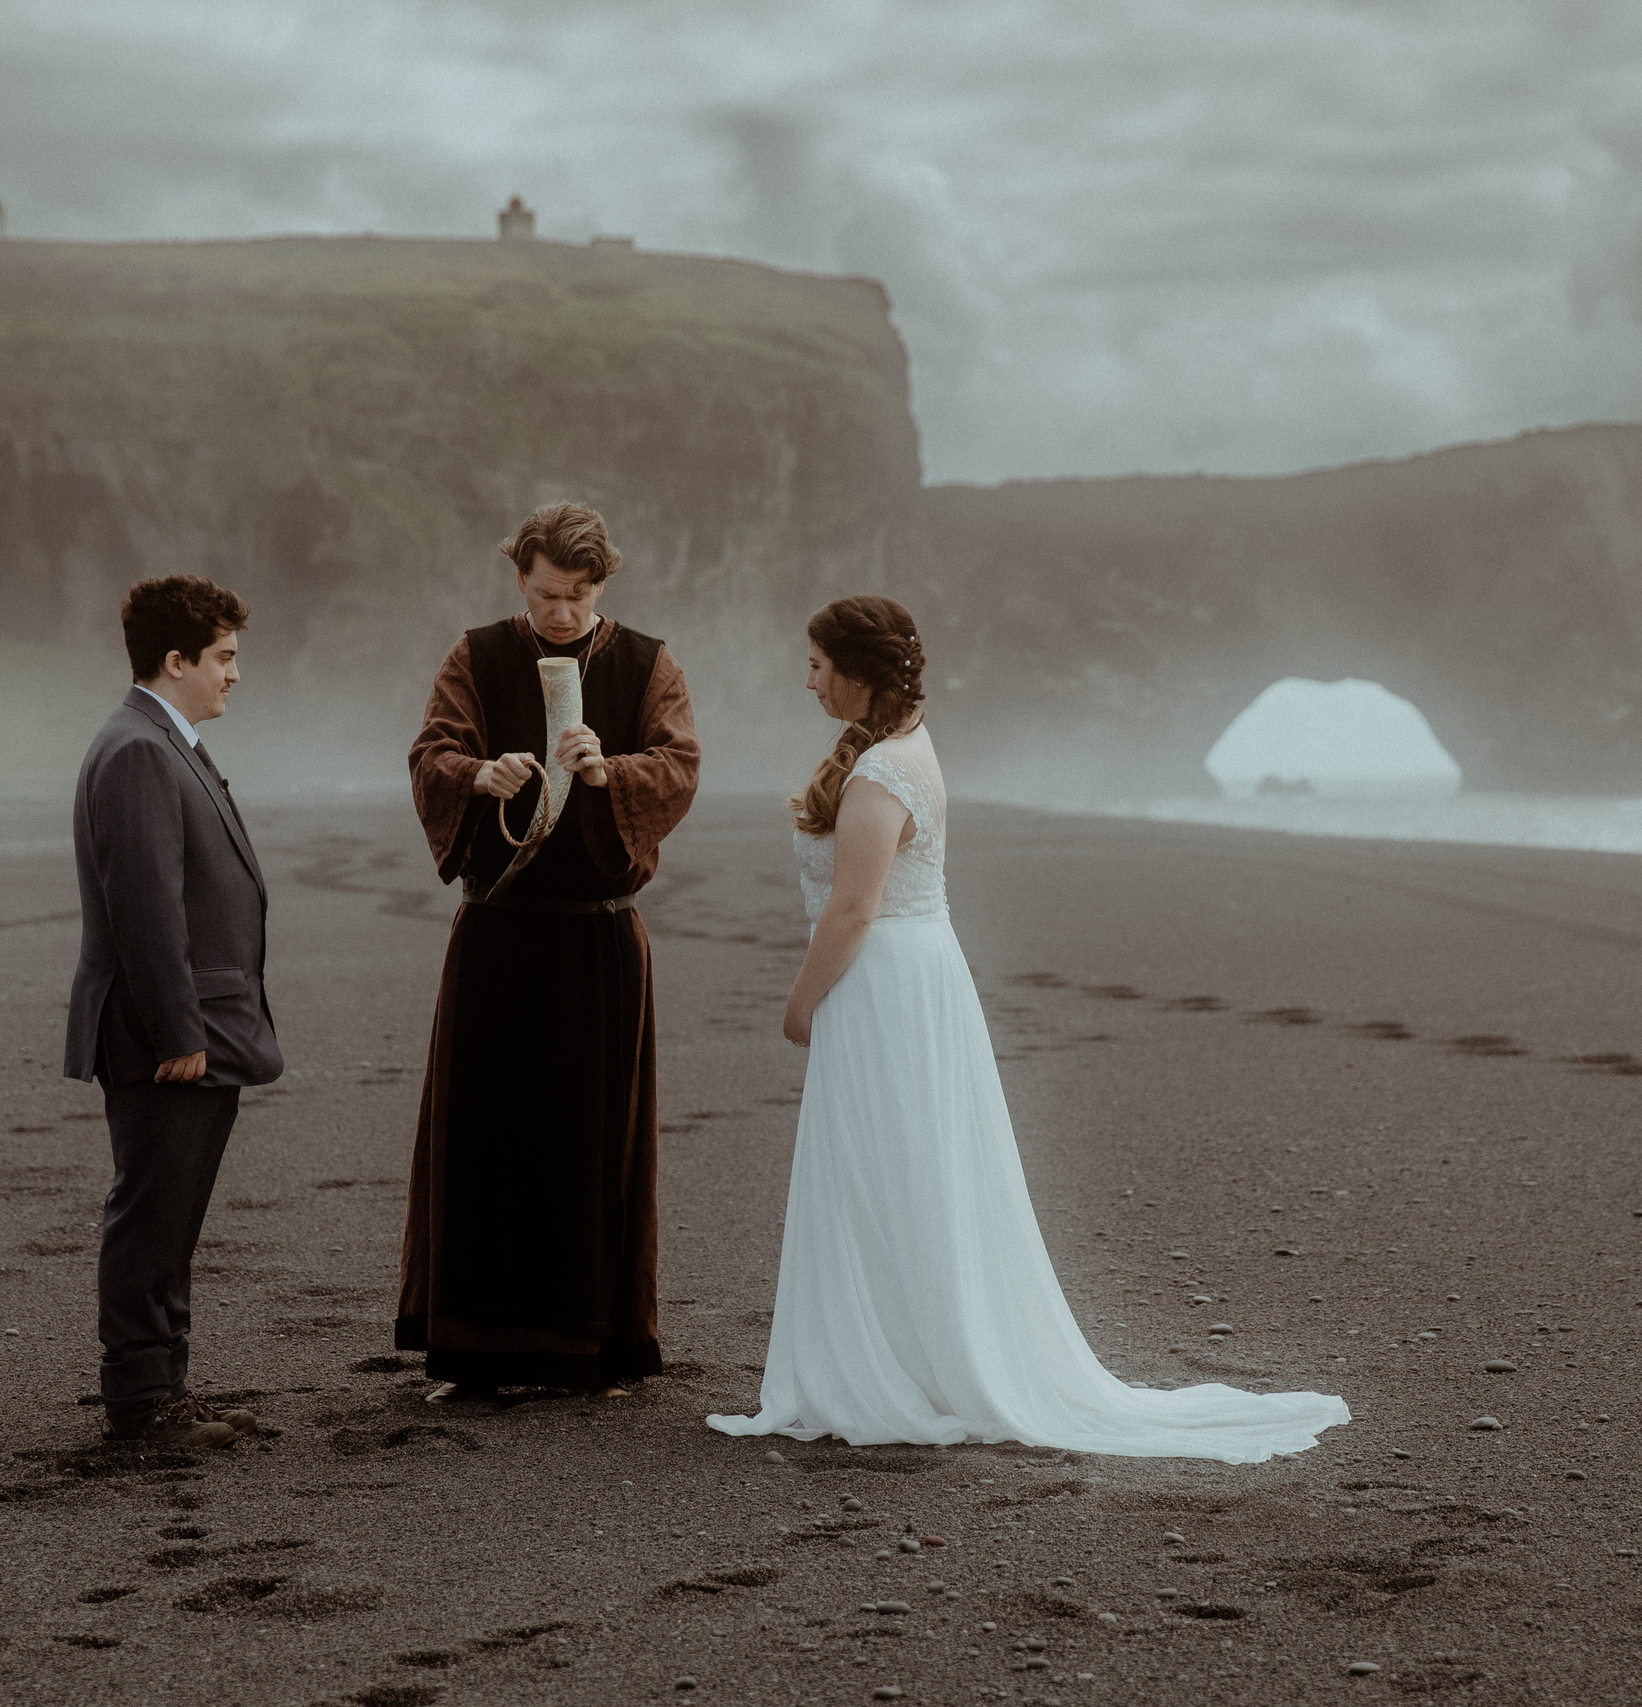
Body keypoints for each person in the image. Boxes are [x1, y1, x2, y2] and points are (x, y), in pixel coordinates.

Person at [706, 595, 1351, 1460]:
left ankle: (895, 1368)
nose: (808, 677)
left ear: (859, 673)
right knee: (908, 1165)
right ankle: (909, 1353)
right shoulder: (906, 749)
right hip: (917, 970)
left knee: (883, 1164)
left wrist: (799, 1002)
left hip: (882, 977)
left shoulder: (878, 775)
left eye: (819, 663)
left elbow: (854, 910)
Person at [400, 502, 702, 1402]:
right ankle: (473, 1351)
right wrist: (476, 774)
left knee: (590, 1142)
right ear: (518, 577)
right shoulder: (477, 654)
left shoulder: (648, 662)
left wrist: (614, 772)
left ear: (601, 585)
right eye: (544, 594)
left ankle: (593, 1350)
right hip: (497, 932)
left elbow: (680, 765)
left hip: (598, 939)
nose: (561, 614)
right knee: (482, 1137)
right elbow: (431, 753)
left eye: (577, 596)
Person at [64, 575, 282, 1450]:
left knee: (171, 1213)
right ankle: (142, 1404)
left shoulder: (161, 740)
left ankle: (163, 1390)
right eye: (224, 657)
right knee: (152, 1214)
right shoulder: (140, 751)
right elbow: (144, 902)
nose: (234, 674)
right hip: (170, 1036)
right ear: (175, 659)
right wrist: (179, 1032)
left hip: (196, 1026)